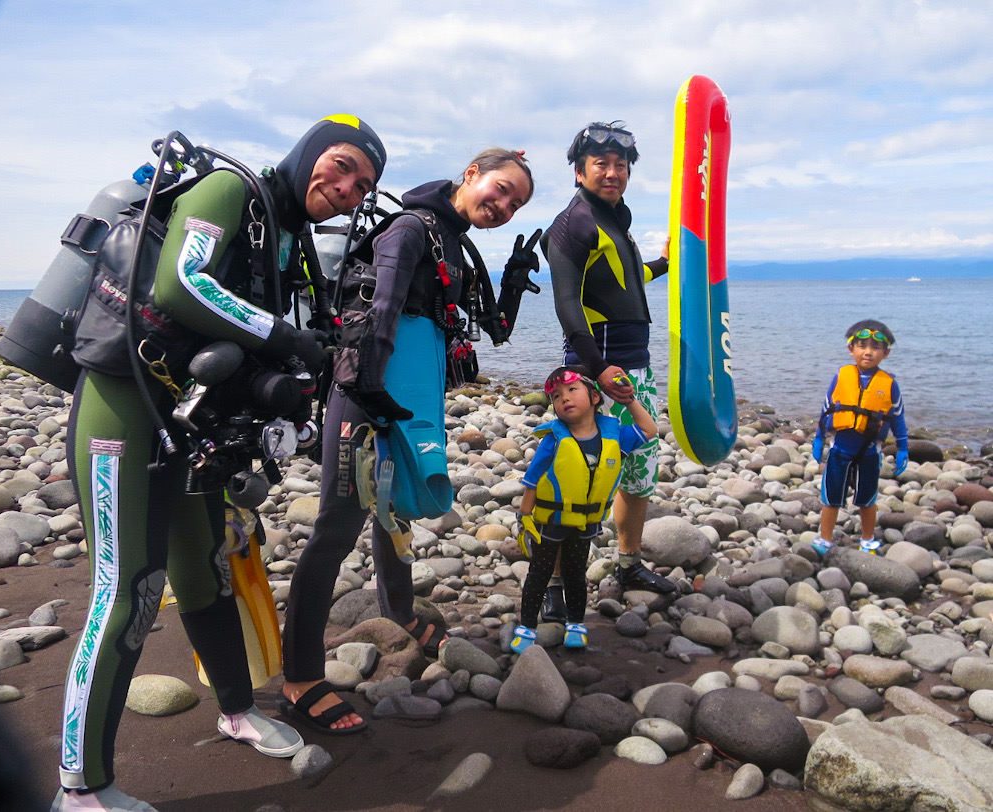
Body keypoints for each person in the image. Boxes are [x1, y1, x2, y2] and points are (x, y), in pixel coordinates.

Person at [53, 115, 386, 812]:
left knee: (204, 574)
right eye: (344, 163)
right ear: (308, 152)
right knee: (126, 594)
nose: (349, 186)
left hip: (185, 423)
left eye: (365, 183)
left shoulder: (286, 239)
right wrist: (285, 336)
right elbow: (179, 284)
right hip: (123, 405)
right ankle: (78, 788)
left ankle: (236, 711)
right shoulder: (230, 190)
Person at [280, 149, 536, 734]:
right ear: (470, 174)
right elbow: (382, 309)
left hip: (410, 391)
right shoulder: (409, 229)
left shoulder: (460, 247)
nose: (503, 206)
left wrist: (515, 282)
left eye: (515, 204)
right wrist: (367, 387)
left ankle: (397, 608)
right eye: (499, 189)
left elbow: (494, 332)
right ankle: (299, 676)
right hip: (364, 389)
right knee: (335, 527)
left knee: (396, 507)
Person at [538, 120, 674, 623]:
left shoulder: (616, 222)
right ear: (579, 171)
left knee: (637, 475)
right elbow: (567, 305)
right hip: (593, 373)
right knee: (571, 482)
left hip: (633, 370)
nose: (612, 172)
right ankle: (552, 585)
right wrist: (597, 372)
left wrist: (663, 264)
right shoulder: (571, 224)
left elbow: (624, 280)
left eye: (621, 165)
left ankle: (629, 563)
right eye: (602, 163)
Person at [511, 365, 657, 652]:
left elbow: (649, 429)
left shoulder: (616, 436)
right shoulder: (553, 440)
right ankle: (526, 626)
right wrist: (524, 518)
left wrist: (629, 400)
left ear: (594, 397)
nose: (564, 398)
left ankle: (576, 623)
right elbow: (532, 481)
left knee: (575, 573)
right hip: (549, 521)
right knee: (539, 574)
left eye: (572, 390)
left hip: (586, 522)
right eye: (556, 396)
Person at [810, 319, 909, 556]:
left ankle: (866, 539)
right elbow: (826, 410)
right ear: (851, 349)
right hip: (840, 449)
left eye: (876, 348)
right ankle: (825, 539)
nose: (868, 352)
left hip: (869, 451)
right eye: (862, 345)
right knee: (831, 497)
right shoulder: (841, 376)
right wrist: (818, 438)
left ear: (886, 353)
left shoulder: (889, 384)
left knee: (867, 499)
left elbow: (898, 417)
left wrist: (903, 447)